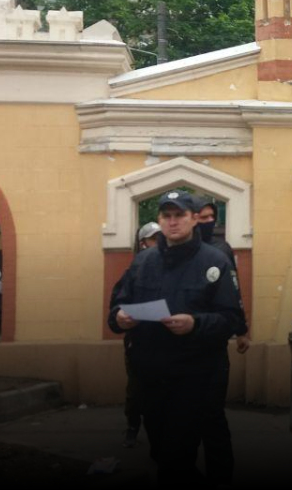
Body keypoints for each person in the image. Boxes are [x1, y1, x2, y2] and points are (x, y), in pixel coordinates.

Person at [108, 191, 246, 485]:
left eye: (180, 215)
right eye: (166, 216)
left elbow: (232, 319)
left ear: (194, 219)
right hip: (151, 376)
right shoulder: (143, 262)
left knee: (177, 454)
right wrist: (119, 317)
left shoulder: (214, 261)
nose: (173, 222)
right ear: (159, 220)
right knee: (162, 452)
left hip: (194, 376)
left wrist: (195, 324)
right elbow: (118, 303)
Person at [112, 222, 161, 448]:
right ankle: (132, 426)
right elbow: (117, 306)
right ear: (143, 244)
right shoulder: (132, 272)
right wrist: (120, 316)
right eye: (154, 239)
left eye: (161, 238)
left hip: (166, 342)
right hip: (139, 342)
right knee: (136, 390)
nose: (159, 243)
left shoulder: (172, 270)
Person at [197, 202, 250, 354]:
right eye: (204, 217)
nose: (209, 221)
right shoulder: (179, 249)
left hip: (214, 330)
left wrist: (241, 330)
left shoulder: (221, 249)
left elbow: (234, 290)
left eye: (212, 216)